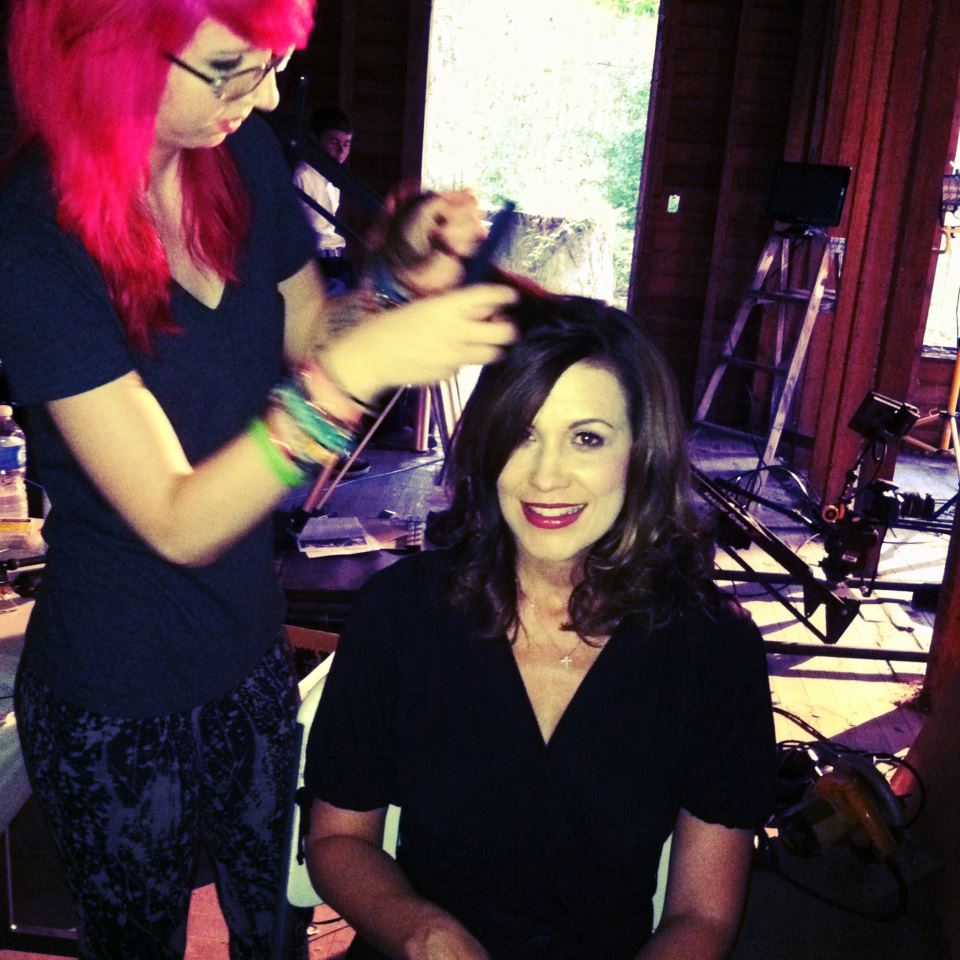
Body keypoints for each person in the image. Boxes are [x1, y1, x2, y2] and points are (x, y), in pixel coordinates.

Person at [0, 0, 517, 956]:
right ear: (109, 53)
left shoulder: (235, 157)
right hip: (113, 686)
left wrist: (398, 280)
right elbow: (177, 517)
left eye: (271, 63)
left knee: (276, 927)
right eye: (233, 68)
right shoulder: (33, 242)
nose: (269, 96)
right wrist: (357, 373)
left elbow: (315, 336)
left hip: (246, 646)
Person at [303, 294, 778, 960]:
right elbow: (337, 840)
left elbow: (702, 914)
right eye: (523, 434)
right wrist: (418, 930)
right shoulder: (399, 614)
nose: (546, 477)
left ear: (642, 451)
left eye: (587, 438)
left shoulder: (714, 651)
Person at [293, 105, 356, 293]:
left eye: (346, 144)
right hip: (315, 265)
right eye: (334, 142)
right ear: (315, 140)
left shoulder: (333, 177)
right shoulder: (302, 176)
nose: (341, 151)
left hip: (335, 260)